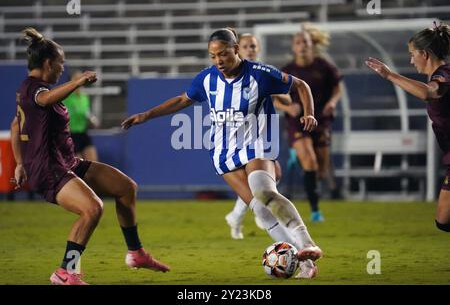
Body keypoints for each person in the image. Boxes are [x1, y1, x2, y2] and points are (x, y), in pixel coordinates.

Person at [122, 28, 323, 278]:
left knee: (264, 192)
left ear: (236, 50)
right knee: (259, 210)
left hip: (256, 145)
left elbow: (300, 85)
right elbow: (182, 100)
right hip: (223, 152)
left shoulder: (260, 74)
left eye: (224, 54)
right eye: (213, 56)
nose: (218, 61)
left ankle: (306, 244)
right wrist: (146, 115)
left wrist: (309, 112)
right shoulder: (206, 79)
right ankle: (304, 263)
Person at [10, 28, 169, 285]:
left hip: (67, 162)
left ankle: (136, 253)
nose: (62, 68)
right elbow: (45, 100)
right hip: (48, 168)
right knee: (92, 209)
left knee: (126, 187)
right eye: (61, 63)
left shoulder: (31, 90)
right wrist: (77, 82)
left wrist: (18, 163)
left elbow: (16, 125)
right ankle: (66, 272)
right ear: (48, 63)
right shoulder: (35, 89)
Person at [366, 21, 450, 233]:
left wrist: (389, 75)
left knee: (444, 220)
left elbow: (428, 92)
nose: (412, 60)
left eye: (413, 54)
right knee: (444, 221)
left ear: (425, 54)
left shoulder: (444, 75)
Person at [274, 23, 344, 222]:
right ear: (293, 47)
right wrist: (288, 108)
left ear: (311, 44)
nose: (302, 45)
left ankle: (300, 162)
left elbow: (337, 88)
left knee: (320, 170)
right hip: (297, 123)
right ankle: (315, 211)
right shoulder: (287, 70)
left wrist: (332, 102)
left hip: (321, 121)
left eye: (304, 42)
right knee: (310, 162)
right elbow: (273, 97)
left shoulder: (324, 66)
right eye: (298, 42)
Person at [225, 33, 288, 239]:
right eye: (246, 46)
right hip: (239, 134)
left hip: (259, 133)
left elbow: (285, 96)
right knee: (269, 174)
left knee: (271, 175)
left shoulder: (262, 72)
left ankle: (237, 216)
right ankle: (254, 214)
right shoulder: (232, 75)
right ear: (237, 50)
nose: (250, 49)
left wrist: (275, 93)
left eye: (253, 46)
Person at [63, 71, 99, 161]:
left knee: (94, 163)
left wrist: (92, 119)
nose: (79, 80)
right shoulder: (66, 97)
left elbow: (87, 112)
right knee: (79, 166)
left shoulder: (84, 97)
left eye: (80, 78)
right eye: (76, 78)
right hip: (71, 135)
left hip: (83, 133)